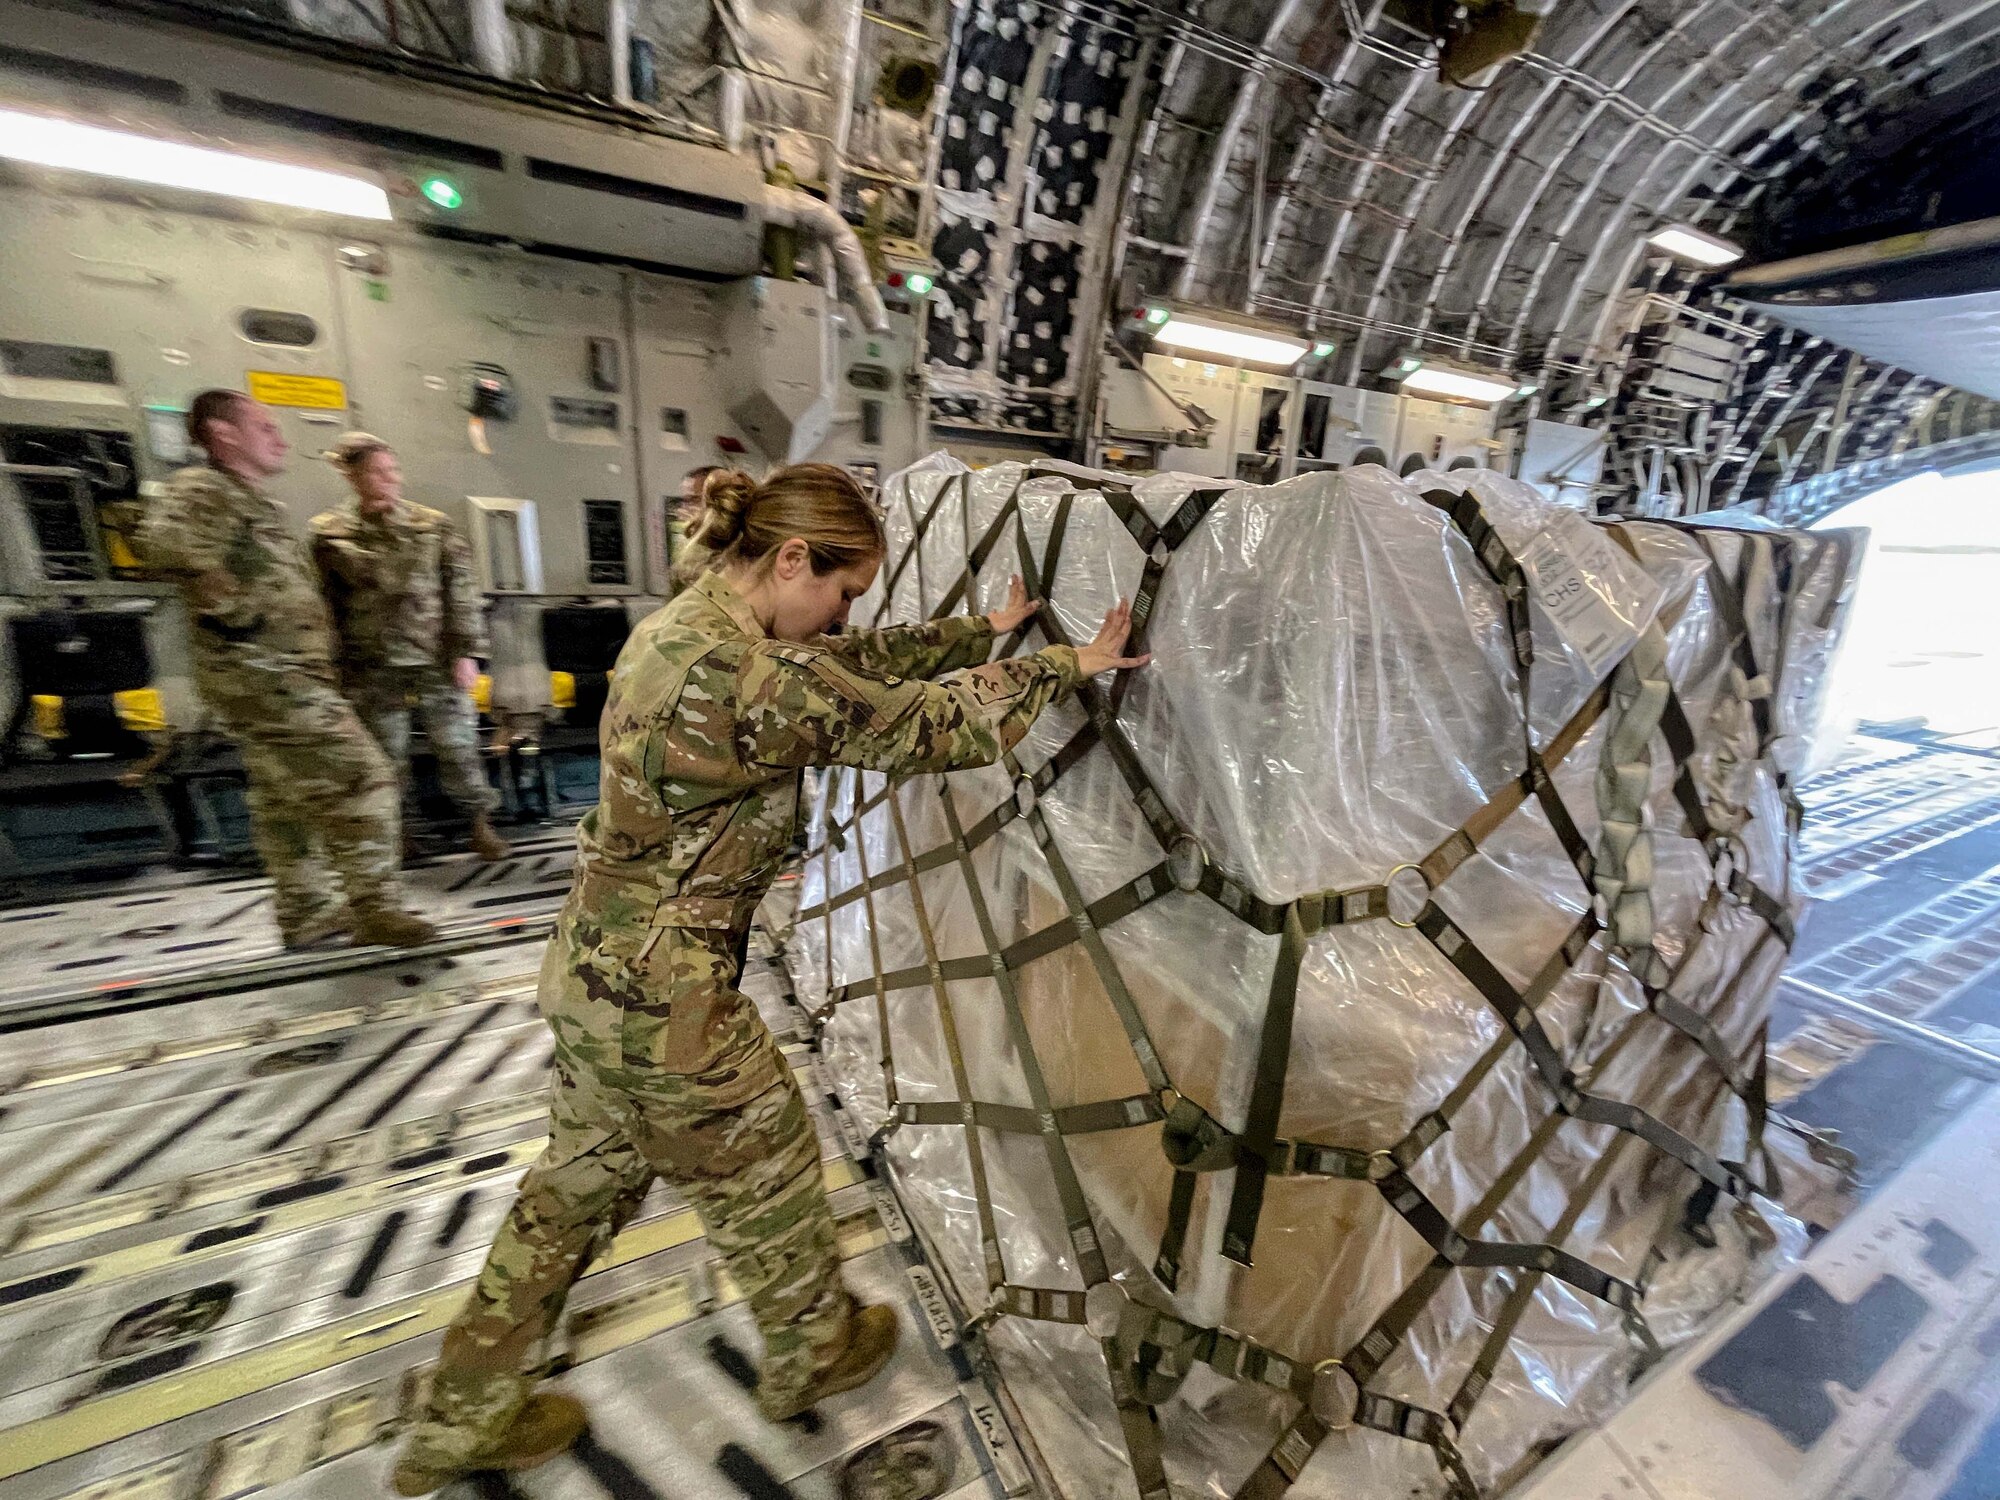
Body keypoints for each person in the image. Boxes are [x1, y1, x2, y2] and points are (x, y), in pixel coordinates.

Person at [392, 463, 1149, 1493]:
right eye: (838, 587)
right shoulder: (744, 683)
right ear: (791, 558)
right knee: (772, 1166)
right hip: (666, 1000)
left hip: (592, 974)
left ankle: (458, 1418)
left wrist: (977, 630)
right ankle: (811, 1349)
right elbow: (928, 725)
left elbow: (842, 663)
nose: (841, 611)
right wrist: (1067, 661)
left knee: (565, 1201)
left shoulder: (684, 634)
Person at [138, 392, 436, 948]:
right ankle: (376, 907)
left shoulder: (249, 501)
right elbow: (162, 546)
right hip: (267, 673)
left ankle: (307, 911)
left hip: (270, 673)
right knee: (365, 776)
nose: (280, 439)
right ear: (224, 434)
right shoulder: (203, 490)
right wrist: (235, 610)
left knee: (284, 799)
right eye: (265, 427)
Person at [311, 433, 508, 863]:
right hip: (371, 663)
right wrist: (331, 662)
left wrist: (467, 652)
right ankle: (400, 834)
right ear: (352, 476)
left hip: (435, 657)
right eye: (378, 473)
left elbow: (461, 590)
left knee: (458, 747)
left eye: (393, 470)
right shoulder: (329, 535)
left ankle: (479, 825)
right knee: (384, 755)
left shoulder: (431, 525)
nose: (391, 480)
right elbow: (324, 605)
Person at [668, 463, 722, 596]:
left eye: (693, 500)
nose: (684, 509)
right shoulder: (687, 545)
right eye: (684, 501)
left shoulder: (733, 551)